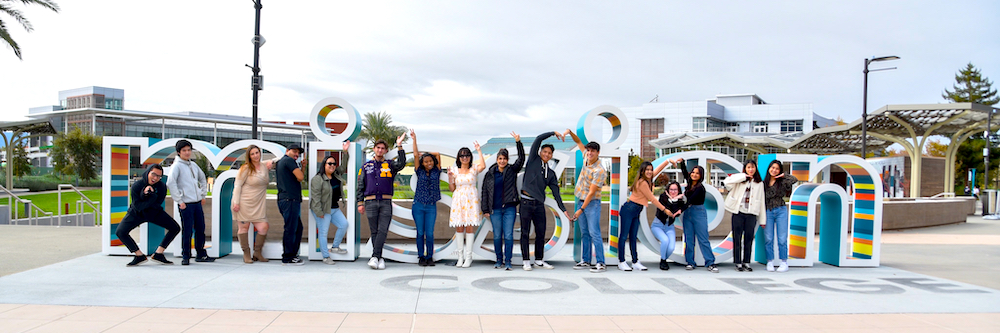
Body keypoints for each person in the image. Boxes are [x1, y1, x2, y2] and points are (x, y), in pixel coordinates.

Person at [519, 131, 570, 271]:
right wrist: (553, 133)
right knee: (525, 232)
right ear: (540, 151)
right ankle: (526, 260)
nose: (547, 154)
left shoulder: (551, 174)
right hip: (525, 203)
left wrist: (563, 209)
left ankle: (539, 260)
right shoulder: (533, 160)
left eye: (549, 153)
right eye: (545, 151)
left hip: (539, 205)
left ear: (552, 156)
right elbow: (538, 138)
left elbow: (556, 194)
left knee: (541, 233)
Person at [357, 135, 407, 270]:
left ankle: (375, 257)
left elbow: (401, 164)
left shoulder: (390, 165)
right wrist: (359, 203)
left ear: (385, 151)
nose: (380, 150)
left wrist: (399, 146)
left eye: (382, 148)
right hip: (370, 202)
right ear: (374, 149)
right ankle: (379, 258)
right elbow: (360, 185)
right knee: (374, 231)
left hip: (385, 202)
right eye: (378, 148)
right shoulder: (366, 166)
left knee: (383, 230)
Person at [115, 164, 180, 266]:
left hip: (154, 213)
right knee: (120, 232)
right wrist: (144, 195)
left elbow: (156, 204)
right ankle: (139, 255)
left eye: (159, 176)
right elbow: (138, 207)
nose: (155, 178)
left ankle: (159, 253)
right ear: (148, 172)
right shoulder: (137, 186)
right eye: (153, 174)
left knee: (175, 228)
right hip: (137, 213)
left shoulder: (162, 186)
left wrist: (151, 196)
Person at [564, 130, 609, 273]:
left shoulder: (599, 170)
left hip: (591, 204)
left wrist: (581, 209)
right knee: (584, 232)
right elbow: (578, 142)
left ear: (598, 153)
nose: (589, 153)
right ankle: (586, 260)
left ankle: (601, 262)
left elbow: (591, 192)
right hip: (581, 201)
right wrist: (570, 132)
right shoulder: (586, 159)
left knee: (594, 232)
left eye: (592, 151)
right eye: (588, 150)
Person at [618, 159, 673, 271]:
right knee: (624, 236)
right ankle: (622, 261)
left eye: (650, 170)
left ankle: (635, 261)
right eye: (647, 170)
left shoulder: (648, 180)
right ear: (642, 171)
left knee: (633, 237)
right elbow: (652, 199)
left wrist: (668, 161)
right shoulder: (643, 182)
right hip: (629, 209)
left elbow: (658, 170)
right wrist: (665, 210)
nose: (649, 172)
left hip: (636, 210)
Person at [481, 132, 525, 270]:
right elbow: (484, 192)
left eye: (504, 159)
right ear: (497, 159)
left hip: (509, 209)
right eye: (500, 158)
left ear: (507, 160)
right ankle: (498, 260)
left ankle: (508, 261)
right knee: (497, 236)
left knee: (509, 235)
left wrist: (518, 142)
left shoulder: (512, 170)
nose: (502, 161)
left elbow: (522, 158)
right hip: (495, 209)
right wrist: (485, 209)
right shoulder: (490, 174)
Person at [165, 140, 214, 266]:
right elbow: (171, 183)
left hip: (197, 203)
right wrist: (179, 200)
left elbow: (202, 178)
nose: (187, 153)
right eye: (184, 150)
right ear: (179, 152)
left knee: (200, 228)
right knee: (187, 230)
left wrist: (203, 194)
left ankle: (201, 254)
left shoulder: (193, 165)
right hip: (186, 204)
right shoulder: (176, 166)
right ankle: (186, 255)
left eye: (189, 150)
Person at [309, 141, 352, 265]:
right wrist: (319, 212)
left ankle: (335, 246)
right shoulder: (318, 179)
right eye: (329, 163)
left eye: (334, 164)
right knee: (323, 232)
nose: (332, 166)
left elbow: (343, 166)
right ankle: (326, 256)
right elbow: (315, 197)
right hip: (322, 209)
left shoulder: (336, 175)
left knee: (344, 224)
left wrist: (345, 152)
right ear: (324, 164)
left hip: (334, 208)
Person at [676, 157, 718, 273]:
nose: (694, 175)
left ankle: (710, 263)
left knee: (703, 239)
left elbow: (690, 201)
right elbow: (685, 173)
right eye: (693, 172)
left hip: (698, 213)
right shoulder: (689, 184)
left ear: (701, 176)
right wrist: (682, 162)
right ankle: (690, 262)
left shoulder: (700, 188)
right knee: (689, 239)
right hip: (688, 214)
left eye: (697, 173)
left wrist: (680, 210)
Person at [231, 145, 273, 263]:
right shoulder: (245, 168)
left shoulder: (264, 166)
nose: (255, 155)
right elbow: (237, 185)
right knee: (244, 227)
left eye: (257, 153)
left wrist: (272, 161)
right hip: (244, 202)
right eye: (252, 154)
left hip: (258, 204)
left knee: (263, 227)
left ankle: (257, 252)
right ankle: (246, 254)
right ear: (249, 156)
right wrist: (236, 202)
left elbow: (276, 160)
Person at [449, 142, 487, 268]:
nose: (464, 158)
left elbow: (483, 165)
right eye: (462, 156)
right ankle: (460, 257)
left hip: (471, 200)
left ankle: (469, 257)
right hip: (459, 199)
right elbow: (452, 188)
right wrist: (450, 178)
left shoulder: (474, 169)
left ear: (470, 157)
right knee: (459, 227)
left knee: (470, 228)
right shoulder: (454, 170)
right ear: (458, 158)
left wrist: (479, 150)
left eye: (467, 155)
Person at [723, 159, 765, 272]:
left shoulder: (759, 183)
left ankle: (746, 261)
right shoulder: (739, 180)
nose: (751, 170)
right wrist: (743, 176)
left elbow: (762, 201)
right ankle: (738, 262)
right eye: (748, 167)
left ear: (756, 169)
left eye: (753, 167)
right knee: (737, 238)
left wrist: (762, 220)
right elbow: (727, 182)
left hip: (751, 214)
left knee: (749, 238)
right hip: (738, 212)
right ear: (745, 169)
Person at [410, 130, 442, 267]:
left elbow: (438, 154)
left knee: (429, 233)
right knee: (420, 232)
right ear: (422, 163)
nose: (428, 163)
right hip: (418, 205)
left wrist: (427, 154)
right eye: (425, 161)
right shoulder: (419, 171)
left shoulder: (437, 170)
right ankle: (421, 256)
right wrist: (414, 139)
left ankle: (429, 256)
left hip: (431, 206)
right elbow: (416, 155)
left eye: (430, 161)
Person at [763, 159, 798, 272]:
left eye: (777, 168)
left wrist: (783, 176)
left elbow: (794, 180)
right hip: (768, 210)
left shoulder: (782, 181)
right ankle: (770, 261)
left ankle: (784, 261)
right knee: (769, 238)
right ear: (769, 168)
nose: (774, 170)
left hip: (781, 210)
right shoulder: (764, 183)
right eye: (772, 168)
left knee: (782, 238)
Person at [276, 143, 307, 266]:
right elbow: (300, 177)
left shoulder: (282, 162)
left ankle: (292, 254)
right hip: (290, 200)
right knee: (291, 229)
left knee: (297, 228)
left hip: (285, 200)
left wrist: (303, 167)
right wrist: (300, 168)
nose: (297, 155)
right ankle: (288, 256)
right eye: (294, 151)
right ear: (287, 151)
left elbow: (298, 177)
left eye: (298, 153)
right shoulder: (289, 161)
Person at [653, 181, 686, 270]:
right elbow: (664, 211)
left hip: (669, 226)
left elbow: (674, 214)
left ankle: (663, 259)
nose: (673, 192)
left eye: (675, 190)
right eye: (671, 189)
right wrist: (671, 200)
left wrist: (675, 201)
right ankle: (663, 261)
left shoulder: (679, 201)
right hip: (657, 225)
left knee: (671, 248)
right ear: (668, 190)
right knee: (665, 240)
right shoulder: (662, 197)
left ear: (678, 190)